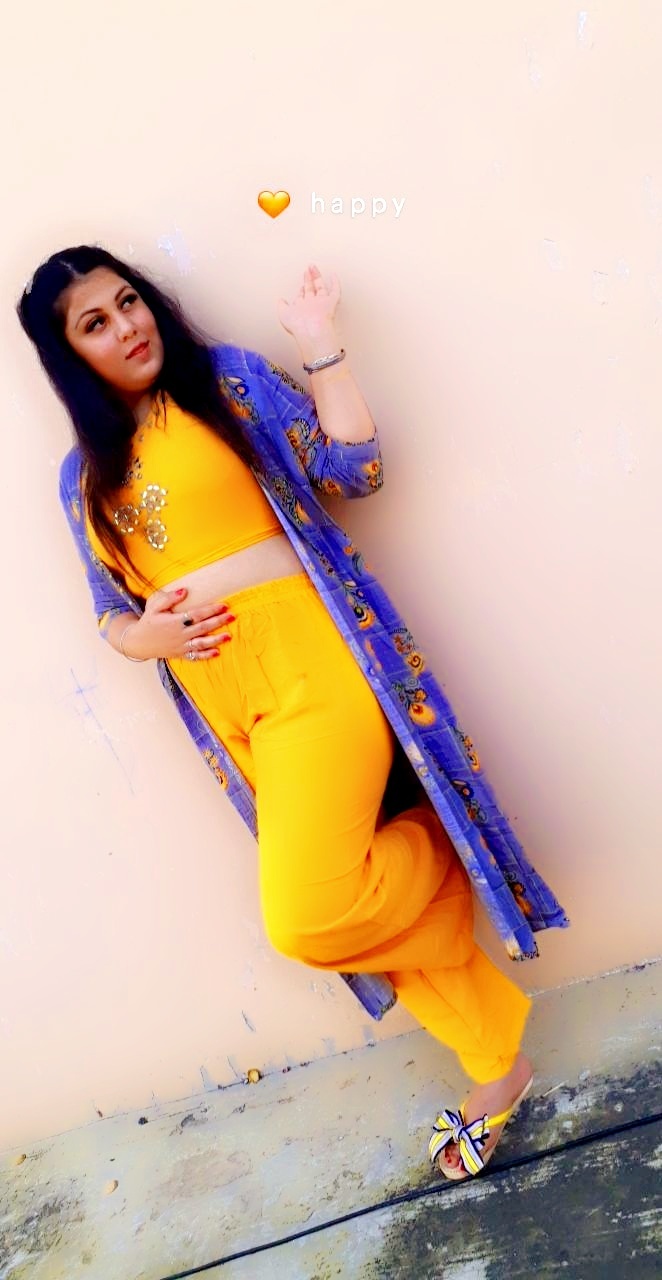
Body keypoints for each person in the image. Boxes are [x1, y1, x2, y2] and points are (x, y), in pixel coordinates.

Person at [16, 244, 554, 1181]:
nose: (128, 326)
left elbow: (356, 472)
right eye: (96, 323)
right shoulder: (80, 478)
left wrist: (319, 344)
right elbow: (109, 612)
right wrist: (147, 637)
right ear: (71, 356)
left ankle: (436, 850)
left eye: (128, 301)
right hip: (229, 707)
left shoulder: (223, 384)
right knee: (342, 906)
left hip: (310, 666)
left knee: (308, 916)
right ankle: (495, 1066)